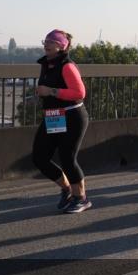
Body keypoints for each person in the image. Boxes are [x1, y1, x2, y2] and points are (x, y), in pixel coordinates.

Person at [33, 29, 91, 213]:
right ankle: (67, 189)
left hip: (73, 115)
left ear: (61, 46)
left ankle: (81, 198)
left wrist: (51, 91)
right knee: (40, 157)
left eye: (51, 42)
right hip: (54, 116)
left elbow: (80, 93)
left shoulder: (67, 66)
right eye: (45, 41)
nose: (46, 44)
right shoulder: (47, 64)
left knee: (67, 158)